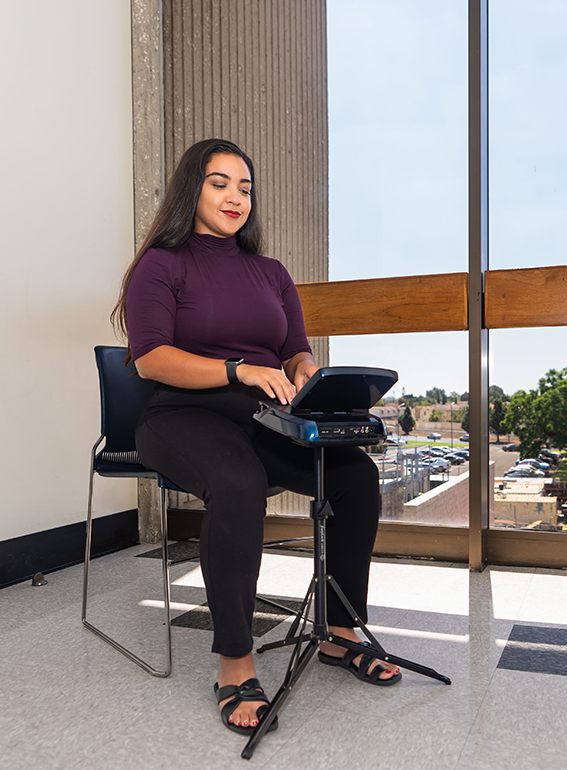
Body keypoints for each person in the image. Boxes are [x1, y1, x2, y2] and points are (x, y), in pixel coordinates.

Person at [110, 138, 400, 735]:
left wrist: (304, 375)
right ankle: (234, 661)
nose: (235, 197)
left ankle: (339, 634)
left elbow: (295, 349)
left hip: (263, 417)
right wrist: (239, 371)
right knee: (237, 480)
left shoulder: (271, 272)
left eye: (244, 187)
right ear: (192, 190)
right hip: (180, 416)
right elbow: (151, 359)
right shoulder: (161, 265)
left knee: (354, 476)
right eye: (219, 183)